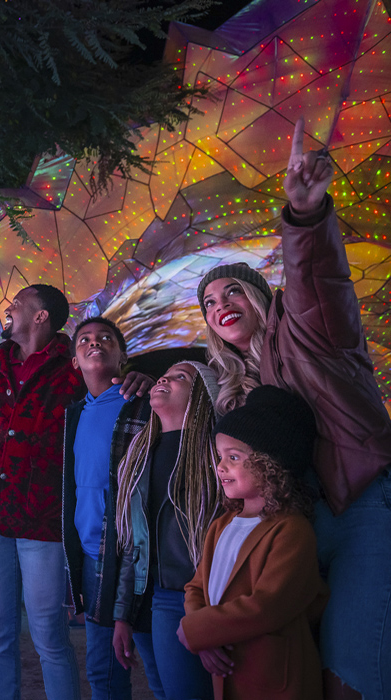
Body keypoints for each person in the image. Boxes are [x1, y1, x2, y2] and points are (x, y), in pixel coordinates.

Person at [197, 118, 391, 700]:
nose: (221, 303)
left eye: (233, 289)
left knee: (350, 675)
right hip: (291, 529)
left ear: (260, 296)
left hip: (360, 508)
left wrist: (305, 217)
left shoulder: (309, 331)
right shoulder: (231, 391)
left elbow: (318, 279)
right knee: (294, 675)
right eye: (209, 301)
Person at [0, 284, 150, 700]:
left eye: (17, 303)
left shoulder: (73, 366)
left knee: (49, 634)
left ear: (40, 316)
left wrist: (141, 377)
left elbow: (108, 389)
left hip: (42, 520)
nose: (8, 308)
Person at [179, 385, 327, 700]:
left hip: (274, 682)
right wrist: (203, 636)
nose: (220, 466)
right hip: (227, 675)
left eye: (233, 457)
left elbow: (267, 606)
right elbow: (196, 587)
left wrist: (198, 631)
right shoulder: (221, 525)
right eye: (220, 457)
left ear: (269, 465)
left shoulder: (291, 530)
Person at [62, 317, 161, 700]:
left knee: (160, 668)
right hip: (95, 558)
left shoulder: (145, 404)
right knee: (103, 672)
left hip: (140, 558)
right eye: (84, 339)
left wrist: (151, 383)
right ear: (75, 361)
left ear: (123, 355)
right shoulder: (74, 415)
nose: (95, 342)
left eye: (106, 338)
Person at [111, 361, 220, 700]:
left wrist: (212, 618)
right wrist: (123, 615)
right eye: (165, 375)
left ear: (202, 396)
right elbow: (133, 542)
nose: (164, 378)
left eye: (180, 377)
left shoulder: (218, 455)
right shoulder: (139, 454)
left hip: (203, 597)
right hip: (153, 597)